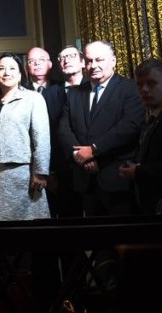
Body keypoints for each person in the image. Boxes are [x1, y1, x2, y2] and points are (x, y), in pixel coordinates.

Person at [58, 40, 144, 218]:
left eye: (99, 60)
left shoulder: (130, 88)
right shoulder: (74, 93)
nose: (93, 65)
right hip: (86, 180)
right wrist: (80, 156)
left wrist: (94, 150)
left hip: (117, 178)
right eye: (89, 61)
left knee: (122, 239)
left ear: (113, 60)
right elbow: (64, 128)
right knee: (96, 239)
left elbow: (130, 127)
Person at [0, 53, 51, 221]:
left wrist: (40, 171)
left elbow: (42, 137)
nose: (6, 73)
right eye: (1, 69)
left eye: (12, 68)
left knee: (25, 222)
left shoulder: (32, 98)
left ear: (20, 74)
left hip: (21, 171)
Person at [42, 46, 86, 218]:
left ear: (83, 61)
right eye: (62, 57)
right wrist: (50, 170)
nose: (66, 60)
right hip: (62, 168)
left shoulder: (94, 88)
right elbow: (47, 134)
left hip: (93, 164)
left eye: (72, 56)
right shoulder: (49, 94)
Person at [118, 59, 162, 215]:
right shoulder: (150, 120)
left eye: (151, 83)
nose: (144, 89)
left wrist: (138, 170)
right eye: (139, 84)